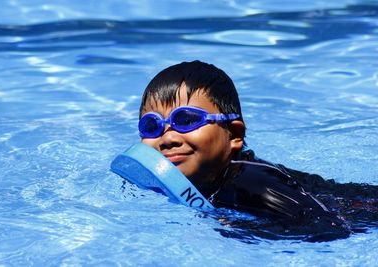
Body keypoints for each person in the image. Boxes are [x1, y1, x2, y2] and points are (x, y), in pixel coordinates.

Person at [137, 60, 378, 241]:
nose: (167, 138)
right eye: (151, 125)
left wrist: (245, 231)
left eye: (187, 120)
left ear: (234, 135)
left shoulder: (250, 185)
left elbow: (328, 228)